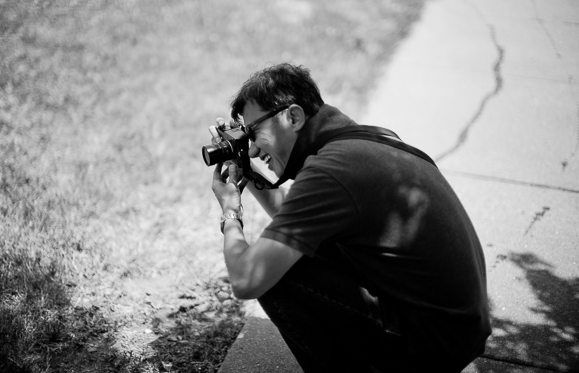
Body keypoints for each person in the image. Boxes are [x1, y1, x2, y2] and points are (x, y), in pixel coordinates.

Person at [209, 63, 491, 372]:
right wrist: (248, 176)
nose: (250, 150)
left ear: (293, 117)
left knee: (275, 274)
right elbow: (296, 219)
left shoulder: (331, 170)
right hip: (457, 332)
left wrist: (230, 211)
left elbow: (247, 279)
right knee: (295, 247)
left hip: (430, 345)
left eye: (254, 133)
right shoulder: (361, 143)